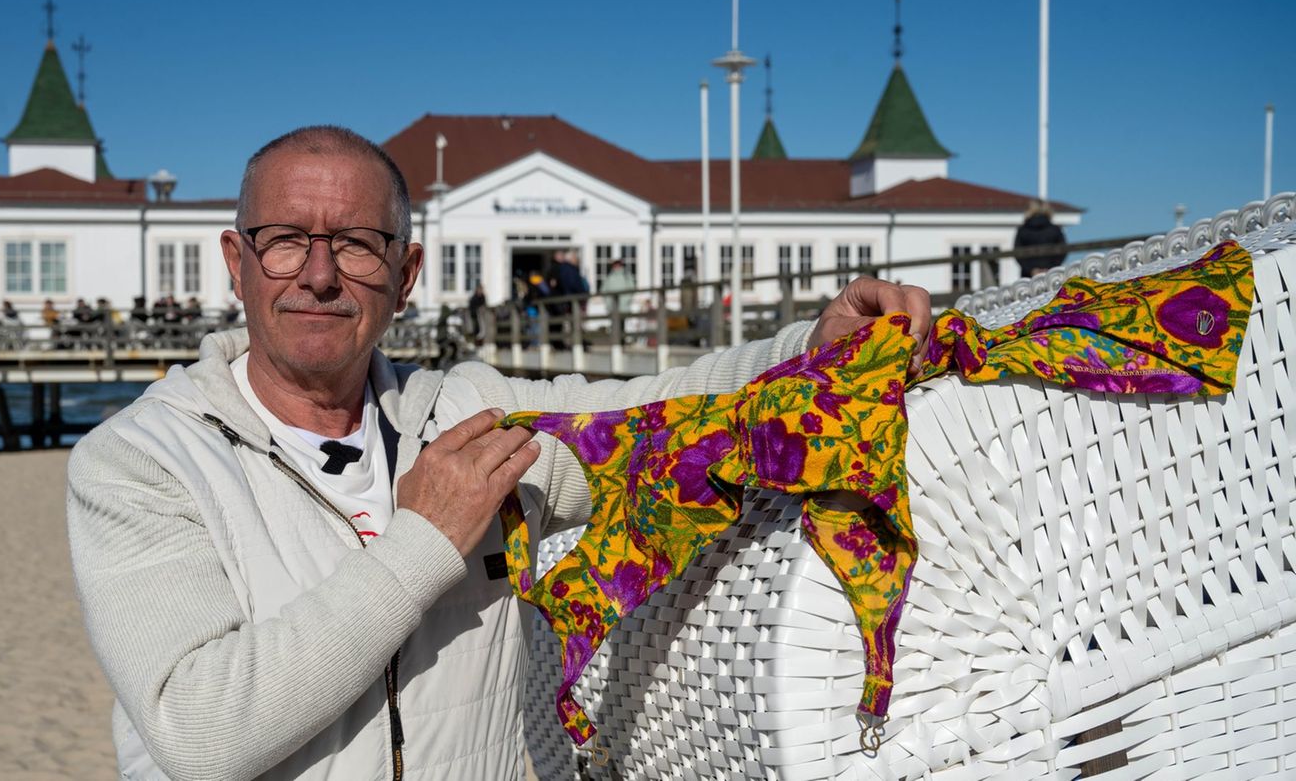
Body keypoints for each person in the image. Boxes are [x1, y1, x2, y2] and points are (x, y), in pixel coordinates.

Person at [66, 124, 931, 781]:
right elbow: (199, 732)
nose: (320, 274)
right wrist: (423, 543)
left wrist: (808, 351)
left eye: (358, 245)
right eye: (287, 238)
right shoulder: (141, 459)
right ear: (237, 261)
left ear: (405, 278)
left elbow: (653, 414)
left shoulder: (467, 409)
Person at [1014, 201, 1067, 278]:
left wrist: (1031, 270)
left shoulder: (1023, 230)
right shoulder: (1055, 229)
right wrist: (1050, 268)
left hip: (1028, 276)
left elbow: (1017, 252)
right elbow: (1063, 251)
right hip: (1051, 277)